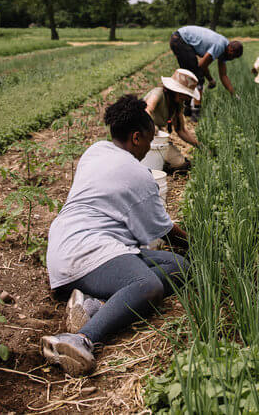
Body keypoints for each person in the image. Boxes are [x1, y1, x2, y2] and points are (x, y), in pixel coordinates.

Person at [40, 95, 189, 377]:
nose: (149, 147)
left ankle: (93, 304)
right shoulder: (138, 174)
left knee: (179, 267)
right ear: (136, 138)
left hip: (67, 243)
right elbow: (166, 232)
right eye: (148, 140)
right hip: (87, 251)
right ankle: (81, 338)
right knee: (147, 285)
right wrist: (198, 245)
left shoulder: (96, 150)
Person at [143, 69, 200, 173]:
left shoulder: (177, 104)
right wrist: (151, 126)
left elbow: (181, 130)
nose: (188, 98)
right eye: (186, 94)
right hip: (142, 131)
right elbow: (147, 110)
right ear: (177, 91)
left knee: (180, 163)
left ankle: (156, 160)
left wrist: (199, 145)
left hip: (156, 138)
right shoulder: (158, 93)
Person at [169, 25, 243, 103]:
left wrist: (234, 95)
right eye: (233, 56)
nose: (231, 59)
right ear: (230, 50)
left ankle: (186, 104)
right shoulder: (220, 46)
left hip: (180, 38)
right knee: (197, 77)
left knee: (190, 75)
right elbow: (202, 66)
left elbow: (223, 75)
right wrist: (210, 79)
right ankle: (194, 108)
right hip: (180, 39)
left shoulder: (225, 49)